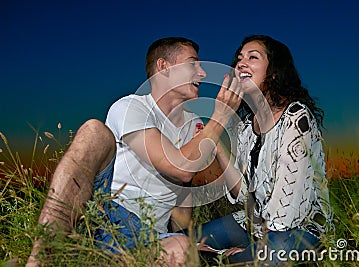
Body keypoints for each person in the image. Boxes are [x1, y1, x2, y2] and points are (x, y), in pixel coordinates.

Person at [27, 37, 242, 267]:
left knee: (180, 250)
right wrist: (220, 115)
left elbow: (182, 190)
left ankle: (103, 260)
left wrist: (190, 243)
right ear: (164, 67)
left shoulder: (194, 125)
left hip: (149, 236)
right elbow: (179, 168)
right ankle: (43, 256)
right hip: (103, 217)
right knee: (94, 132)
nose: (202, 73)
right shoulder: (131, 106)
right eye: (193, 64)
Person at [196, 35, 334, 266]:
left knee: (258, 256)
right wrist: (216, 147)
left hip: (299, 229)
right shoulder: (247, 128)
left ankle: (228, 259)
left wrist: (247, 250)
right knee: (186, 241)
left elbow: (285, 216)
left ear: (274, 73)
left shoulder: (296, 118)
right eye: (239, 58)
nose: (240, 63)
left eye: (253, 57)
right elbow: (242, 195)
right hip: (255, 224)